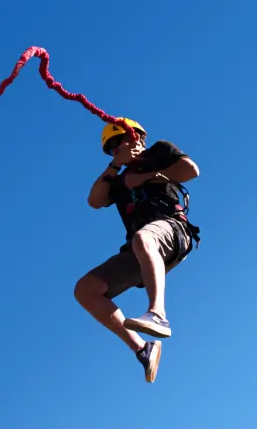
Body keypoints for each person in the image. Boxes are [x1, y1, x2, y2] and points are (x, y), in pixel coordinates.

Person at [73, 118, 202, 383]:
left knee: (143, 238)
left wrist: (145, 176)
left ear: (137, 137)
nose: (119, 148)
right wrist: (116, 166)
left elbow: (191, 170)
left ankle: (159, 314)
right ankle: (143, 349)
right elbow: (95, 200)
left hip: (172, 229)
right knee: (85, 289)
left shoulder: (158, 152)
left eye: (121, 141)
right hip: (139, 248)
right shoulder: (117, 179)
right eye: (113, 148)